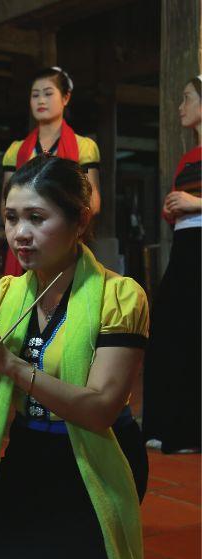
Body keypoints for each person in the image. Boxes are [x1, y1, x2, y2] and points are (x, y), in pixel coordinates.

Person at [0, 156, 149, 559]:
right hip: (28, 451)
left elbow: (99, 411)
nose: (20, 234)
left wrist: (8, 362)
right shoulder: (8, 291)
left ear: (79, 222)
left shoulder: (119, 295)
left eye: (37, 218)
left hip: (93, 457)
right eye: (12, 217)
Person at [144, 75, 202, 455]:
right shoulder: (187, 157)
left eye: (187, 98)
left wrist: (194, 204)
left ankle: (190, 432)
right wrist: (172, 208)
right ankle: (167, 424)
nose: (181, 106)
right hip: (185, 247)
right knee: (167, 329)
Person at [0, 67, 102, 275]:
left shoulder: (84, 146)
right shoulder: (16, 150)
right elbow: (6, 201)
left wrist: (67, 228)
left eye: (48, 93)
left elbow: (93, 201)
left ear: (66, 97)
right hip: (29, 237)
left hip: (64, 239)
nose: (41, 100)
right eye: (35, 95)